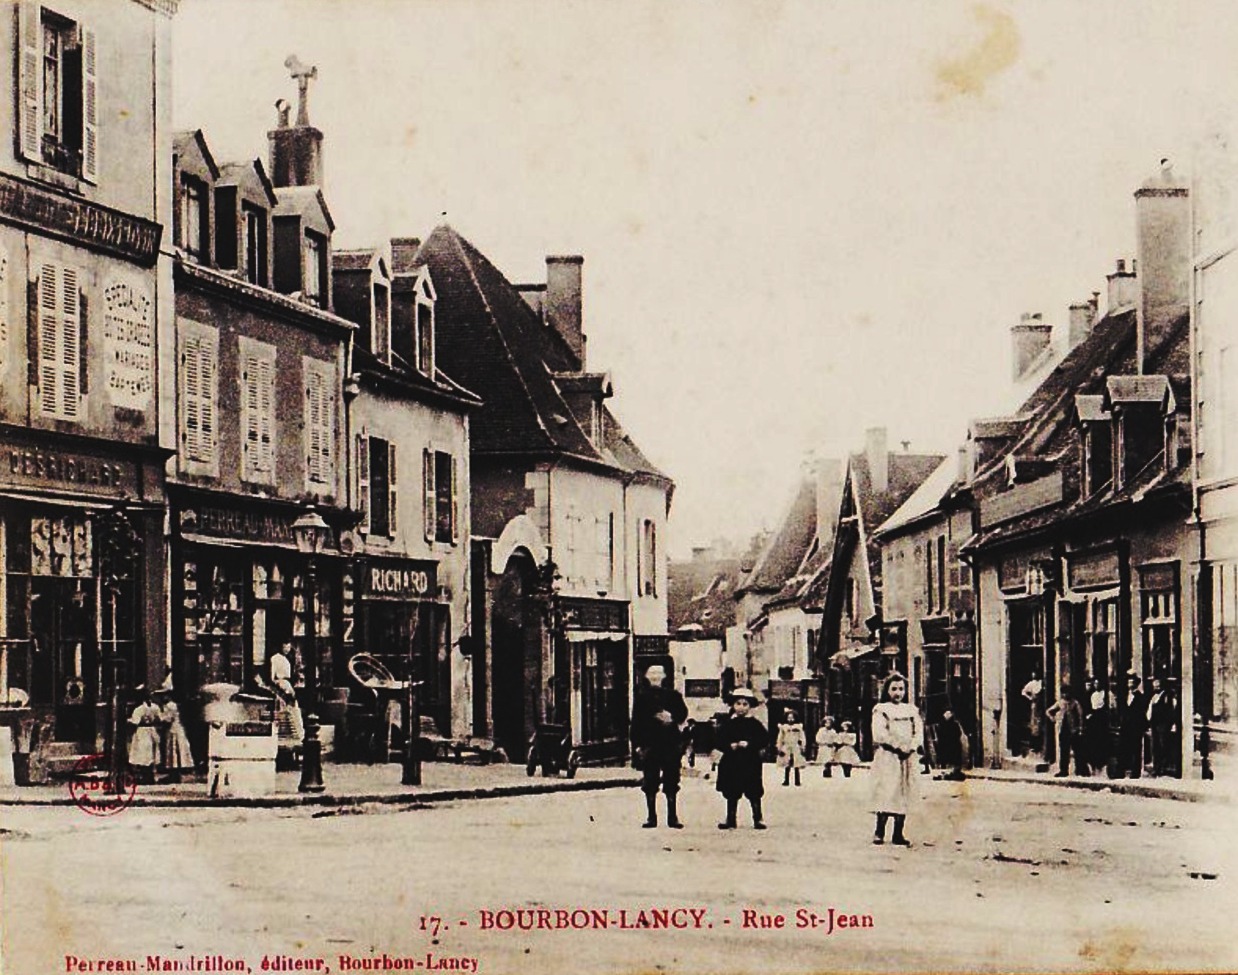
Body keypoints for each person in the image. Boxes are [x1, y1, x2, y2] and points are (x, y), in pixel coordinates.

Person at [629, 663, 688, 829]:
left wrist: (672, 717)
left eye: (658, 673)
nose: (655, 676)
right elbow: (636, 722)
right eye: (652, 673)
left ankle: (672, 816)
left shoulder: (673, 695)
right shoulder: (641, 697)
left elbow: (683, 713)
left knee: (671, 780)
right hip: (650, 743)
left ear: (664, 676)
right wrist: (637, 745)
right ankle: (651, 817)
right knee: (650, 780)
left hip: (670, 743)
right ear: (647, 676)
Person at [870, 673, 921, 846]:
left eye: (901, 689)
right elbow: (879, 734)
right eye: (894, 689)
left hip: (907, 757)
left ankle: (898, 832)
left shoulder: (911, 710)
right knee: (887, 789)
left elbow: (918, 732)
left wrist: (912, 747)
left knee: (904, 791)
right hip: (889, 756)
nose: (898, 693)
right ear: (887, 691)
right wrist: (897, 747)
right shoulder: (881, 709)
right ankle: (879, 831)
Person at [715, 688, 767, 829]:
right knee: (732, 790)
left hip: (750, 761)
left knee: (753, 790)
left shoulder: (755, 724)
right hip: (732, 761)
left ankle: (758, 817)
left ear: (750, 706)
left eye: (745, 704)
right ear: (733, 705)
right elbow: (718, 740)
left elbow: (764, 740)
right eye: (738, 704)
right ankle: (730, 818)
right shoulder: (727, 724)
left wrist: (750, 744)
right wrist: (729, 745)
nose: (741, 707)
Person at [153, 683, 195, 783]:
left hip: (174, 730)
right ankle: (174, 773)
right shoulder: (169, 705)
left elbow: (168, 719)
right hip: (173, 729)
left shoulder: (170, 706)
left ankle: (175, 774)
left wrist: (159, 718)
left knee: (174, 751)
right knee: (173, 752)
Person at [1046, 684, 1088, 777]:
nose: (1065, 695)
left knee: (1078, 751)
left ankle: (1080, 770)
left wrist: (1080, 728)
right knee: (1064, 751)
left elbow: (1080, 716)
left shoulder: (1075, 703)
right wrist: (1053, 718)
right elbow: (1048, 711)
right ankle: (1063, 770)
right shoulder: (1060, 703)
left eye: (1067, 693)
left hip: (1073, 729)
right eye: (1064, 693)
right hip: (1063, 729)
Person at [1146, 677, 1179, 777]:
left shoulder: (1167, 696)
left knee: (1163, 746)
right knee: (1155, 747)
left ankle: (1163, 768)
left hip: (1163, 725)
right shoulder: (1153, 697)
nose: (1156, 687)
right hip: (1154, 725)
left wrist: (1172, 724)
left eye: (1158, 685)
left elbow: (1172, 710)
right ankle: (1156, 768)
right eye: (1154, 686)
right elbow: (1150, 710)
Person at [127, 688, 161, 785]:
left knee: (143, 754)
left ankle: (145, 776)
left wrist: (128, 721)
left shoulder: (139, 710)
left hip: (142, 732)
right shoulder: (155, 707)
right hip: (152, 731)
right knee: (150, 753)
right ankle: (150, 775)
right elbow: (160, 718)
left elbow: (135, 722)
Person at [1118, 672, 1148, 778]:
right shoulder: (1125, 696)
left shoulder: (1140, 697)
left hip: (1136, 727)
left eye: (1132, 682)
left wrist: (1142, 726)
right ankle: (1123, 771)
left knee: (1136, 749)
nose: (1130, 684)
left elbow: (1142, 713)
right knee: (1124, 748)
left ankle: (1135, 773)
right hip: (1125, 726)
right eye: (1129, 682)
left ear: (1136, 684)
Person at [1084, 679, 1111, 773]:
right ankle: (1094, 764)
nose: (1096, 685)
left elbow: (1109, 707)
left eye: (1098, 683)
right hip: (1093, 719)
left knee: (1101, 740)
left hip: (1102, 718)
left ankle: (1102, 764)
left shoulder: (1105, 694)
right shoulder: (1092, 695)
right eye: (1095, 683)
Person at [776, 708, 807, 787]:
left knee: (796, 763)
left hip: (795, 746)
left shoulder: (799, 727)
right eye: (789, 718)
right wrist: (779, 747)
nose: (790, 719)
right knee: (787, 763)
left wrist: (803, 746)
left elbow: (802, 737)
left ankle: (797, 780)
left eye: (792, 718)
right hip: (786, 746)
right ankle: (786, 780)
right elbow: (780, 738)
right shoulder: (783, 727)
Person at [935, 710, 968, 781]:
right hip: (950, 745)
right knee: (950, 759)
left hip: (950, 745)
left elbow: (957, 734)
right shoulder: (950, 724)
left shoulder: (944, 725)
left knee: (950, 759)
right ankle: (949, 773)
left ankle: (949, 773)